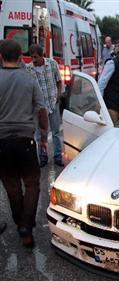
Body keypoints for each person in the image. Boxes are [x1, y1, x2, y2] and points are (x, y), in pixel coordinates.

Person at [0, 40, 48, 247]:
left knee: (11, 184)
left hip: (2, 142)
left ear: (1, 57)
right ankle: (26, 226)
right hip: (26, 141)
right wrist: (44, 135)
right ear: (21, 57)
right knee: (31, 183)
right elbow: (41, 110)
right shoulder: (29, 80)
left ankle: (20, 222)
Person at [27, 44, 64, 167]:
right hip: (39, 108)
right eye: (32, 57)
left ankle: (58, 156)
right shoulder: (29, 69)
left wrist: (58, 95)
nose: (33, 60)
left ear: (42, 55)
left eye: (36, 57)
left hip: (52, 103)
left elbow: (59, 81)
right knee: (40, 135)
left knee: (55, 132)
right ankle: (43, 157)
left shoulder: (52, 64)